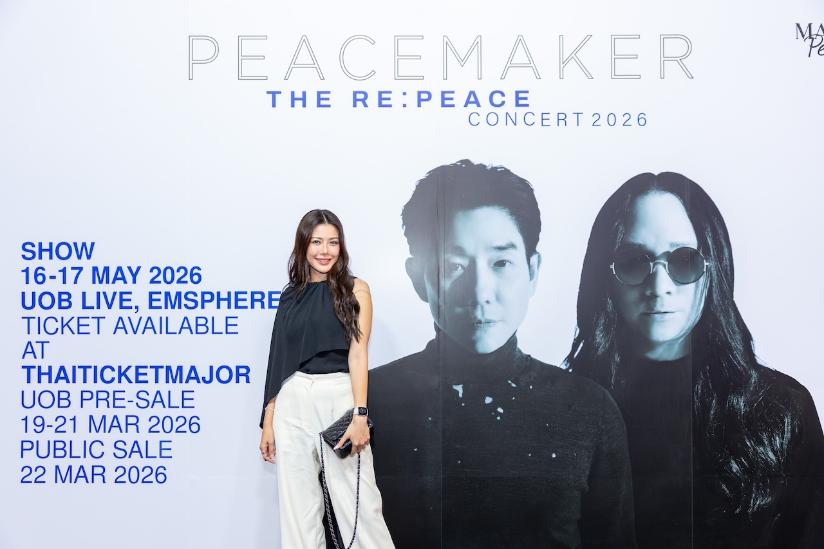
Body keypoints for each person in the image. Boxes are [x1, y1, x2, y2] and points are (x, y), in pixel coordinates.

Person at [369, 160, 637, 549]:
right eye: (454, 265)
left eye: (501, 262)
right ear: (417, 277)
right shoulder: (368, 403)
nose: (481, 292)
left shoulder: (589, 410)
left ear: (533, 270)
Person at [565, 172, 824, 549]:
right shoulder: (565, 410)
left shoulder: (782, 411)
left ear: (714, 268)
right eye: (634, 261)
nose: (659, 287)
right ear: (606, 276)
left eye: (684, 260)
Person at [258, 209, 396, 549]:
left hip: (339, 398)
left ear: (341, 247)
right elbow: (278, 359)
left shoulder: (356, 289)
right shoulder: (290, 295)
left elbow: (358, 354)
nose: (325, 250)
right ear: (303, 245)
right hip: (293, 400)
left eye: (333, 242)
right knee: (299, 514)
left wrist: (360, 414)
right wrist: (269, 421)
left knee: (360, 509)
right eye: (317, 242)